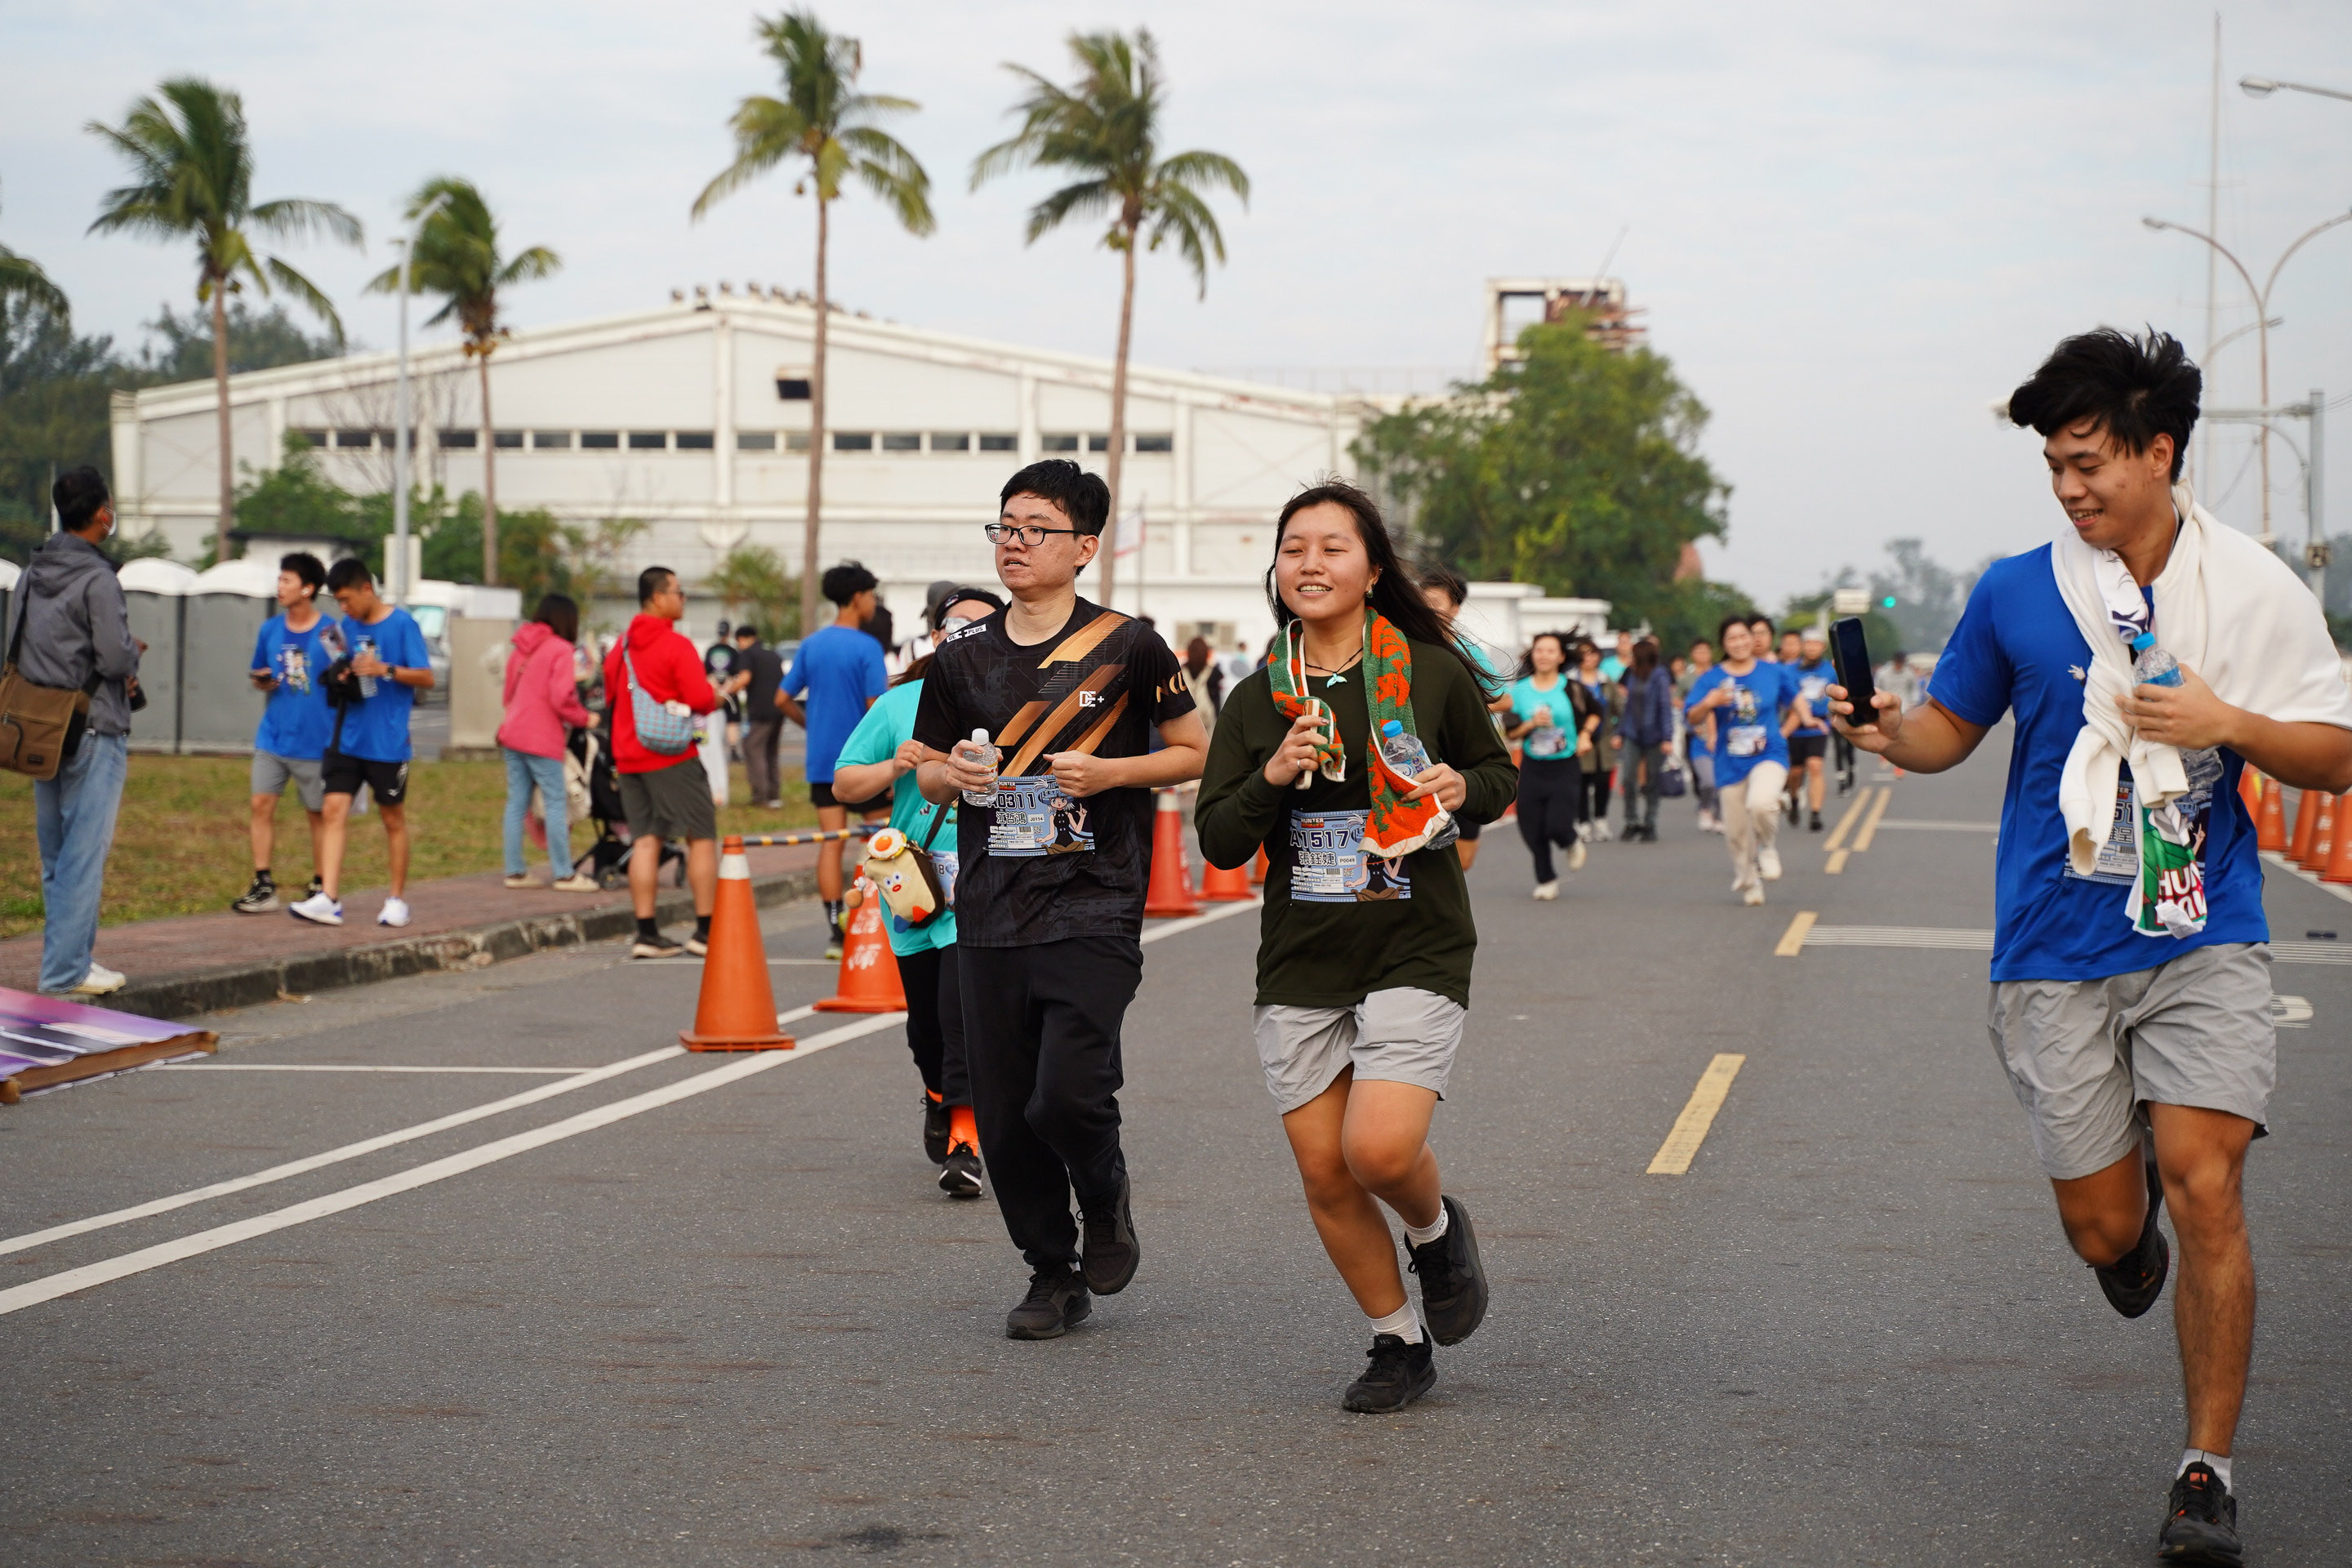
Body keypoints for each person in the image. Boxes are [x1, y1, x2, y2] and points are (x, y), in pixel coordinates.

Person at [1833, 328, 2352, 1563]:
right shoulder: (2020, 589)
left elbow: (2335, 758)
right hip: (2053, 945)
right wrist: (1886, 732)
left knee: (2209, 1185)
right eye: (2054, 469)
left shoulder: (2252, 588)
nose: (2069, 489)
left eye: (2088, 463)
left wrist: (2226, 721)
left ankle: (2205, 1474)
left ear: (2158, 451)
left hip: (2202, 927)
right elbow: (1947, 733)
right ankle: (2130, 1239)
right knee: (2105, 1231)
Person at [1196, 479, 1512, 1413]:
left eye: (1333, 547)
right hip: (1303, 956)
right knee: (1326, 1172)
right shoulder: (1256, 699)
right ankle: (1397, 1342)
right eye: (1294, 548)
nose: (1311, 563)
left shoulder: (1430, 673)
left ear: (1373, 571)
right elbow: (1219, 840)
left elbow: (1495, 775)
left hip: (1416, 941)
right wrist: (1272, 774)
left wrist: (1461, 788)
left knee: (1377, 1151)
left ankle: (1435, 1230)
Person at [913, 458, 1208, 1342]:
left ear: (1084, 547)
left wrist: (1111, 773)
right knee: (1006, 1118)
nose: (1014, 543)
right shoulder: (959, 656)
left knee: (1068, 1096)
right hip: (990, 910)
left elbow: (1194, 751)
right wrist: (956, 774)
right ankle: (1052, 1271)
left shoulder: (1131, 646)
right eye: (1005, 526)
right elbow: (926, 775)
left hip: (1095, 901)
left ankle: (1105, 1196)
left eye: (1035, 529)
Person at [833, 589, 1006, 1202]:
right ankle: (937, 1094)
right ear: (935, 637)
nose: (969, 635)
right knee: (927, 1027)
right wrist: (894, 767)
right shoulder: (899, 704)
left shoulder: (1018, 699)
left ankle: (965, 1142)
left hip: (990, 882)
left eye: (985, 625)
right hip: (915, 884)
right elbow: (844, 782)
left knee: (964, 1015)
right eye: (957, 625)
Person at [17, 467, 140, 995]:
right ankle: (66, 971)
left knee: (57, 854)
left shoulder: (32, 574)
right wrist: (132, 653)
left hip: (39, 725)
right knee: (84, 853)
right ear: (101, 513)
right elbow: (113, 657)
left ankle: (69, 961)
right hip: (93, 725)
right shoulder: (98, 578)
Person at [289, 560, 434, 928]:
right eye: (338, 601)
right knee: (333, 810)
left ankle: (396, 900)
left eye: (347, 599)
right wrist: (340, 675)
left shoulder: (403, 625)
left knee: (392, 818)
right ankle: (329, 897)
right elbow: (336, 667)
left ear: (367, 589)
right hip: (346, 737)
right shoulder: (345, 628)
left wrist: (385, 669)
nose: (344, 608)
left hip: (387, 742)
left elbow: (426, 677)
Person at [604, 566, 723, 960]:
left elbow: (610, 695)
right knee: (700, 835)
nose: (683, 598)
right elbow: (700, 699)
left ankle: (646, 932)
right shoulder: (676, 645)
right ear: (658, 598)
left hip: (628, 755)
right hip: (672, 755)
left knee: (645, 840)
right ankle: (704, 931)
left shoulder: (620, 647)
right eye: (678, 591)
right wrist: (719, 695)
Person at [782, 560, 893, 958]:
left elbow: (782, 698)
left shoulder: (812, 644)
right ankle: (873, 922)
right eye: (871, 596)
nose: (873, 604)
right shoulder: (867, 647)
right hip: (864, 762)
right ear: (858, 598)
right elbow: (876, 708)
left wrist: (810, 725)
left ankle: (835, 931)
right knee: (880, 838)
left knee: (831, 843)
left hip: (822, 762)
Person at [233, 552, 332, 914]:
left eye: (287, 580)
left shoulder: (330, 632)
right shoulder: (270, 629)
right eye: (280, 579)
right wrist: (262, 681)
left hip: (316, 742)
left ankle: (321, 882)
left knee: (317, 815)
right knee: (260, 805)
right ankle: (263, 884)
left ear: (307, 589)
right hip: (273, 737)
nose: (280, 586)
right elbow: (259, 672)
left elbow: (347, 676)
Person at [1684, 615, 1798, 906]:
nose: (1739, 643)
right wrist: (1709, 703)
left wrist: (1795, 725)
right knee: (1736, 832)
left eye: (1743, 636)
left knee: (1761, 803)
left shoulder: (1773, 672)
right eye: (1731, 639)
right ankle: (1749, 880)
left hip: (1769, 752)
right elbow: (1692, 716)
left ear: (1753, 639)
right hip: (1730, 760)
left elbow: (1796, 701)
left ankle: (1768, 846)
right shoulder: (1711, 679)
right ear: (1723, 644)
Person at [1414, 565, 1512, 872]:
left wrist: (1459, 710)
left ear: (1455, 609)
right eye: (1422, 602)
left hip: (1464, 765)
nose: (1426, 610)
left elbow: (1504, 699)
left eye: (1435, 604)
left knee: (1462, 860)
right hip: (1422, 764)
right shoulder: (1405, 646)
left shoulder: (1467, 651)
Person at [499, 594, 599, 892]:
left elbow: (508, 692)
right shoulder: (561, 649)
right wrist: (585, 718)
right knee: (556, 802)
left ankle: (515, 871)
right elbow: (561, 698)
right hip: (542, 737)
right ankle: (564, 874)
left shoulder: (521, 647)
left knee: (517, 802)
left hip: (512, 732)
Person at [1503, 630, 1588, 897]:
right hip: (1533, 765)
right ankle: (1546, 880)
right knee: (1531, 826)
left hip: (1565, 765)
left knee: (1557, 825)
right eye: (1539, 650)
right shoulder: (1519, 691)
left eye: (1551, 651)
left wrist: (1586, 735)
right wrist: (1531, 724)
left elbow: (1596, 713)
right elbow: (1511, 733)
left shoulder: (1571, 688)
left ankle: (1570, 840)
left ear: (1561, 657)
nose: (1544, 656)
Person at [1615, 636, 1674, 841]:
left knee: (1652, 780)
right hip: (1632, 732)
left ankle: (1650, 822)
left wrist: (1667, 737)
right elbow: (1628, 707)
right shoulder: (1631, 675)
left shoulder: (1659, 676)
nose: (1630, 657)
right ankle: (1631, 821)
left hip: (1655, 734)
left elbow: (1665, 706)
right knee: (1628, 778)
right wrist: (1620, 732)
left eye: (1633, 654)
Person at [732, 624, 787, 808]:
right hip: (779, 708)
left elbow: (745, 678)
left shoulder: (748, 654)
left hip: (761, 710)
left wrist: (726, 692)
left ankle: (760, 796)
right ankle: (774, 794)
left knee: (753, 748)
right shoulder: (772, 654)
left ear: (742, 639)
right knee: (771, 751)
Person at [1785, 624, 1833, 831]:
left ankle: (1815, 813)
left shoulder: (1830, 670)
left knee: (1815, 766)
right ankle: (1794, 799)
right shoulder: (1790, 670)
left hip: (1819, 725)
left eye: (1817, 644)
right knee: (1795, 772)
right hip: (1794, 725)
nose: (1812, 648)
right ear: (1802, 646)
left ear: (1823, 647)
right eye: (1809, 644)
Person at [1571, 639, 1618, 838]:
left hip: (1604, 739)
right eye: (1584, 654)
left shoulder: (1605, 680)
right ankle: (1583, 822)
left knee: (1603, 780)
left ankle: (1601, 819)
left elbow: (1620, 708)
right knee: (1581, 781)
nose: (1589, 658)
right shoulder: (1570, 681)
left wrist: (1619, 732)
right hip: (1578, 738)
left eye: (1592, 654)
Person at [1678, 637, 1722, 832]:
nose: (1703, 655)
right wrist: (1692, 720)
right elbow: (1680, 704)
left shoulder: (1720, 675)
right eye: (1699, 651)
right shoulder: (1687, 679)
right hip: (1698, 735)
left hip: (1722, 736)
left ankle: (1719, 816)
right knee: (1708, 781)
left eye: (1706, 651)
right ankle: (1705, 807)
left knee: (1722, 780)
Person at [1180, 636, 1225, 725]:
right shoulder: (1213, 672)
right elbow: (1217, 700)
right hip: (1207, 718)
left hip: (1185, 719)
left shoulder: (1181, 671)